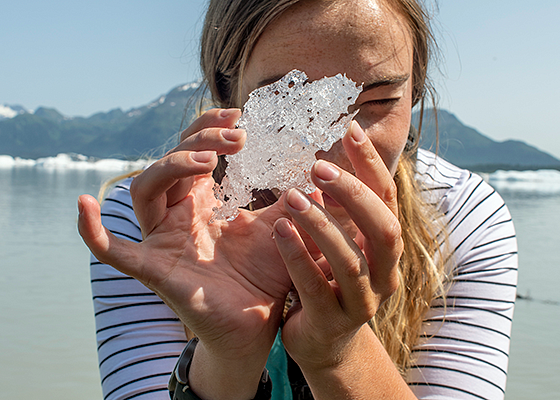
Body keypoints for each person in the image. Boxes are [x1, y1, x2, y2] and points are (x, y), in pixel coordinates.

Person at [78, 0, 518, 399]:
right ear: (227, 96)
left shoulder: (460, 217)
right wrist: (227, 356)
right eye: (291, 104)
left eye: (381, 99)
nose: (337, 147)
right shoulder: (150, 226)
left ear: (415, 92)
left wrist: (338, 351)